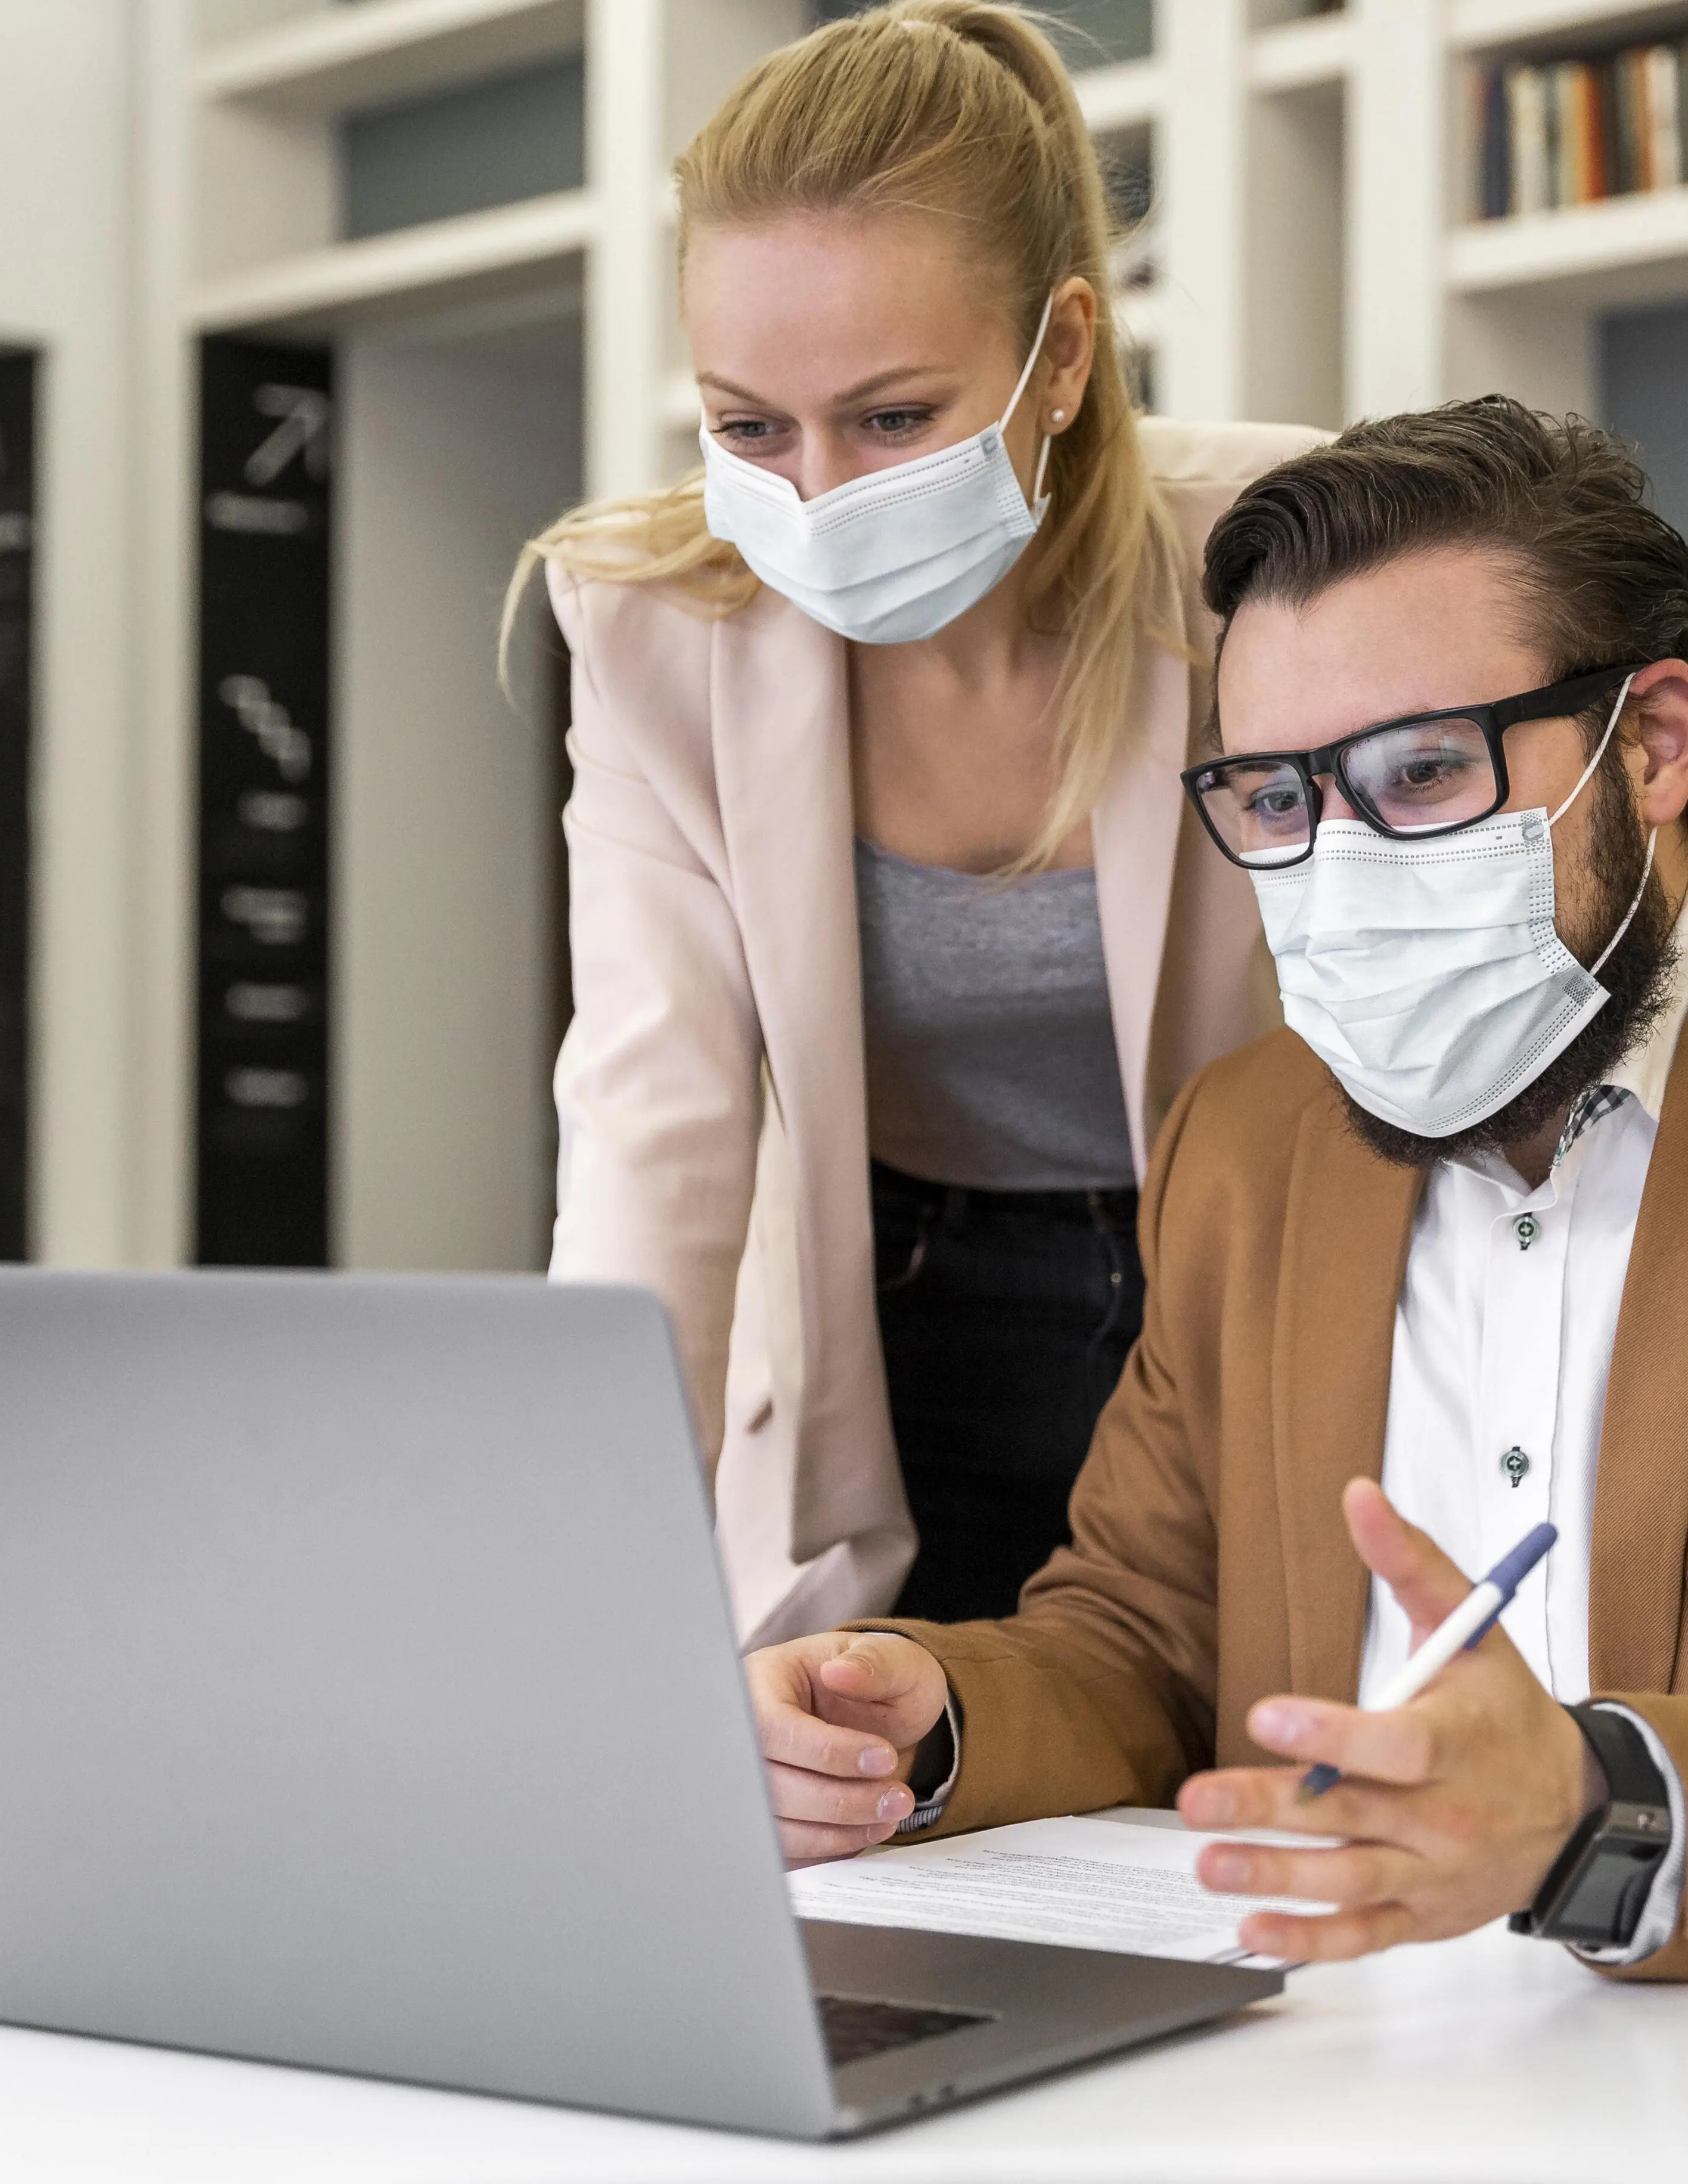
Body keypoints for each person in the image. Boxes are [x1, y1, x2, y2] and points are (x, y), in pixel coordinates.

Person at [737, 399, 1688, 2184]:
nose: (1338, 867)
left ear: (1648, 741)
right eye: (1274, 798)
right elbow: (1149, 1646)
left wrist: (1603, 1814)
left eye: (1421, 774)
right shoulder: (1247, 1148)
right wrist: (922, 1726)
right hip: (1347, 2118)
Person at [517, 2, 1318, 1641]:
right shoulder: (656, 620)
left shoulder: (1286, 554)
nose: (814, 492)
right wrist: (582, 1578)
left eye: (893, 419)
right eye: (749, 424)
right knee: (915, 1787)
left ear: (1065, 353)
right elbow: (650, 1121)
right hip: (892, 1303)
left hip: (1255, 1288)